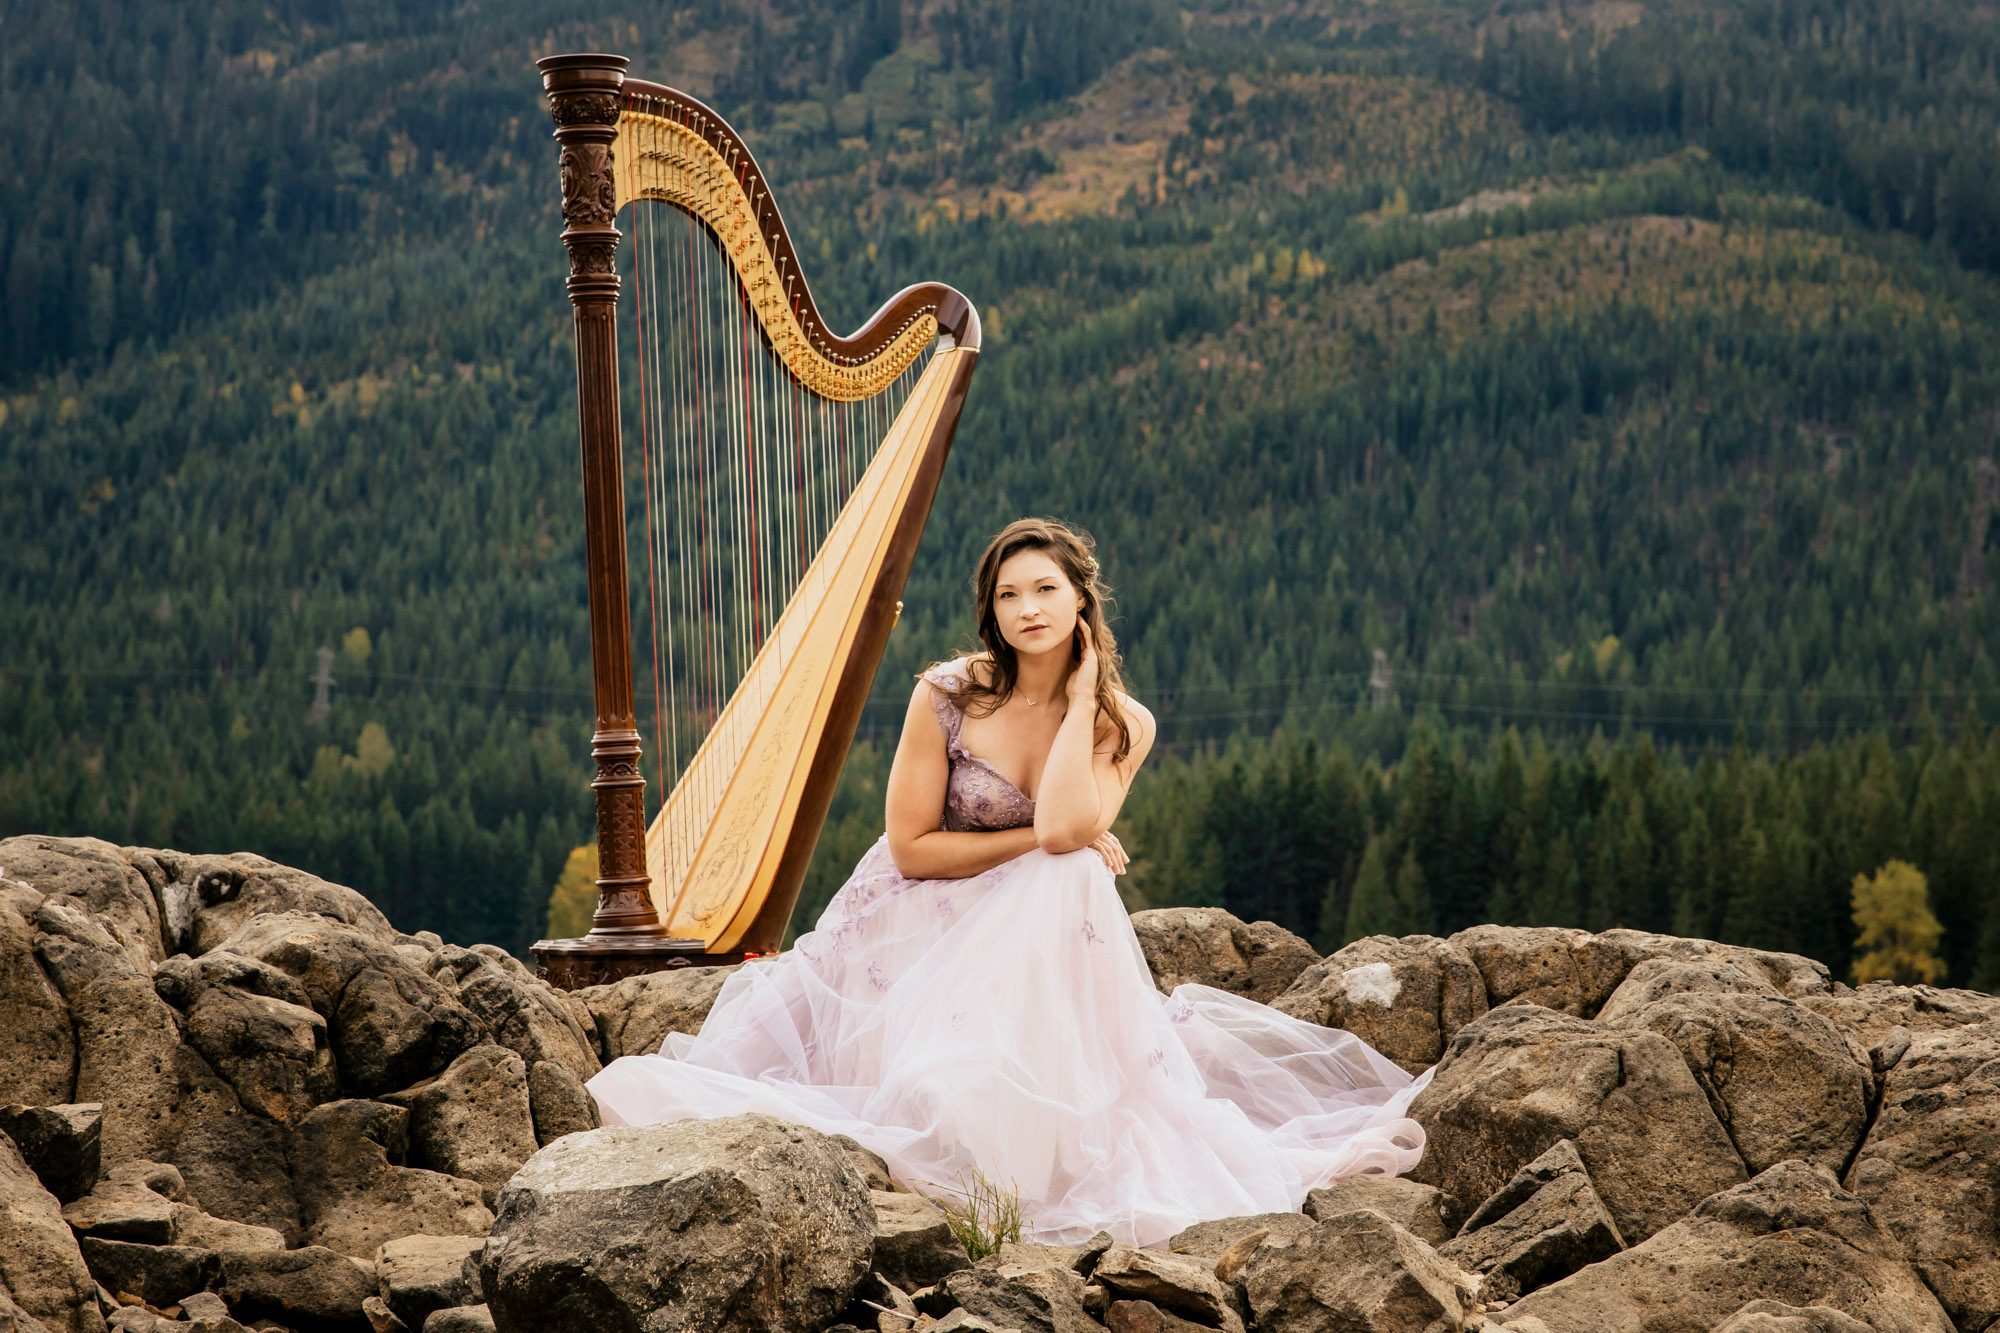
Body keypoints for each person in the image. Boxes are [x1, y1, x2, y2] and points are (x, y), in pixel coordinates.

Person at [586, 517, 1429, 1247]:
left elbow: (1070, 827)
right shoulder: (950, 693)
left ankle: (1023, 1132)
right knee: (1065, 868)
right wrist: (1044, 841)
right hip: (918, 915)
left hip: (1028, 919)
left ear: (1081, 602)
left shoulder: (1121, 722)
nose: (1027, 609)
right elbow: (913, 846)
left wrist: (1081, 694)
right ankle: (965, 1104)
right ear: (990, 610)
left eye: (1045, 590)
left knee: (1069, 872)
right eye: (1008, 595)